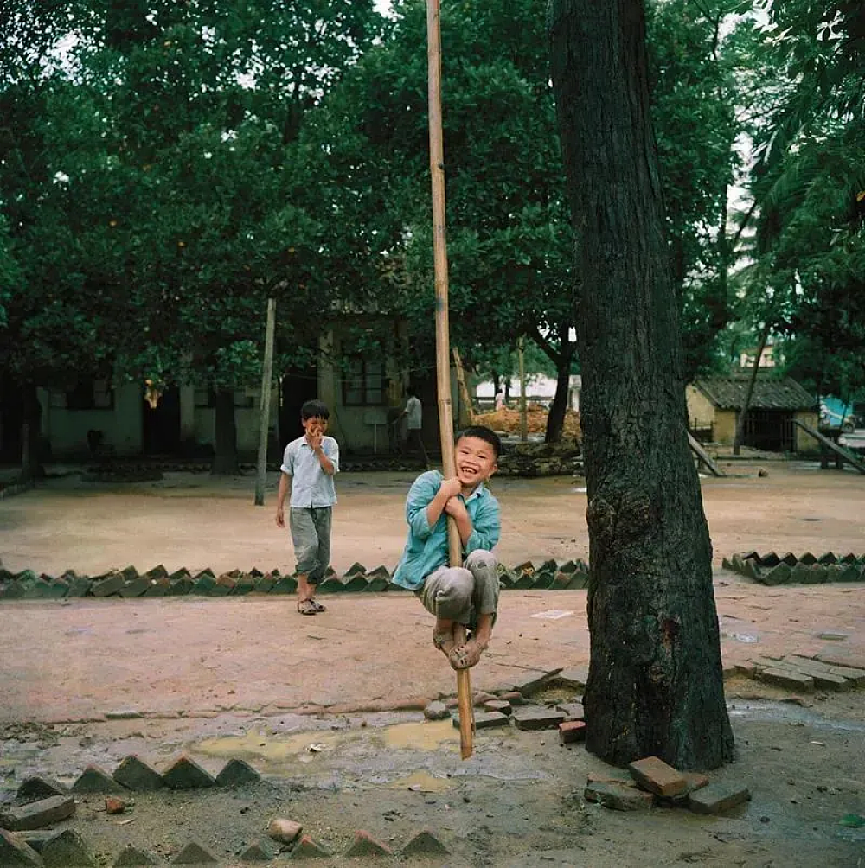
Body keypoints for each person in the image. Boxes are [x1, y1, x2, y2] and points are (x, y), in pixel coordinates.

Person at [393, 425, 501, 669]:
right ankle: (443, 632)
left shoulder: (488, 505)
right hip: (436, 584)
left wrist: (462, 517)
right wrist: (442, 497)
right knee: (458, 578)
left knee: (484, 558)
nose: (471, 461)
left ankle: (483, 633)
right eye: (465, 452)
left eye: (481, 456)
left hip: (472, 594)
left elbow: (482, 548)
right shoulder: (429, 483)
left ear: (492, 469)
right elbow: (419, 527)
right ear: (450, 455)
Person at [275, 399, 339, 616]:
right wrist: (280, 507)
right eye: (314, 422)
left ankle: (309, 595)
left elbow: (330, 470)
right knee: (308, 549)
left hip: (324, 504)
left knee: (323, 556)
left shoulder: (331, 445)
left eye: (322, 423)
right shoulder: (293, 448)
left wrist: (318, 450)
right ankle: (302, 598)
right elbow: (286, 477)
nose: (318, 427)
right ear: (304, 422)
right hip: (301, 506)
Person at [400, 386, 428, 467]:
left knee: (416, 441)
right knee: (413, 440)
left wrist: (397, 420)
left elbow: (406, 412)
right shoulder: (418, 401)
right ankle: (406, 456)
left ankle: (424, 459)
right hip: (417, 422)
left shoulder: (410, 401)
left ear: (408, 393)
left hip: (412, 423)